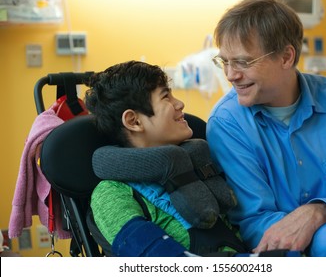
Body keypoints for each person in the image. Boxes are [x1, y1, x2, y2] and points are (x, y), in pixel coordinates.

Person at [206, 0, 326, 257]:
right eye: (224, 61)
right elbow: (254, 224)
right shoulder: (226, 124)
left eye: (243, 62)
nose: (230, 74)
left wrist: (316, 213)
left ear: (286, 56)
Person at [84, 60, 260, 257]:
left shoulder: (199, 166)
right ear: (134, 121)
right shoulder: (111, 194)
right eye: (166, 97)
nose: (180, 104)